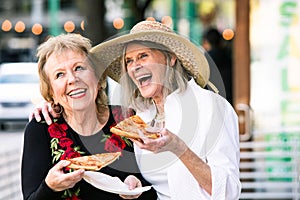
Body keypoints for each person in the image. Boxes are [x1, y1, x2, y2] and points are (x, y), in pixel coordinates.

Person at [31, 21, 241, 199]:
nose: (134, 66)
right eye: (129, 61)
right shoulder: (139, 115)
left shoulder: (210, 107)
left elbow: (229, 192)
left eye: (143, 56)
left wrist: (179, 148)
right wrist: (54, 102)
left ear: (171, 57)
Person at [21, 33, 157, 200]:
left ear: (99, 80)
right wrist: (49, 187)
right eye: (60, 74)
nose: (72, 79)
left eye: (79, 68)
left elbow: (157, 189)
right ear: (51, 92)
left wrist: (137, 185)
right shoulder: (41, 129)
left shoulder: (128, 119)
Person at [202, 27, 233, 105]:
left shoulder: (207, 58)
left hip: (215, 100)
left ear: (206, 42)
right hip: (230, 97)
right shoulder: (227, 55)